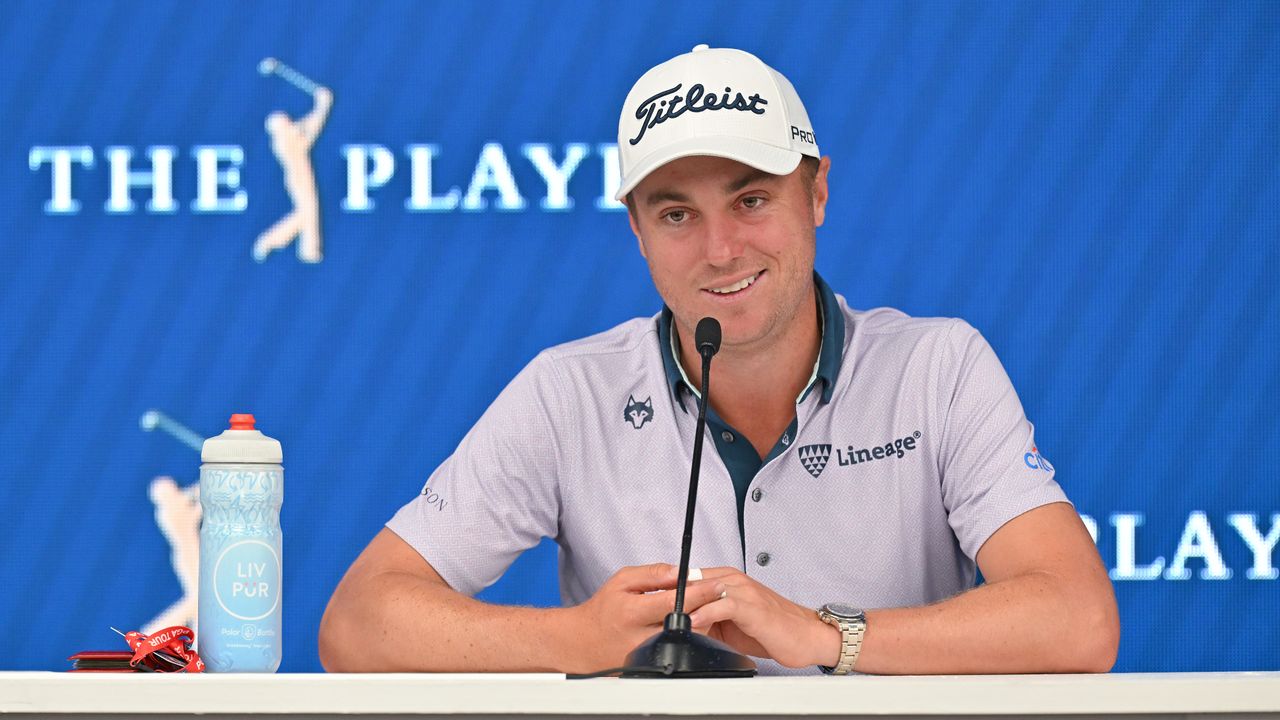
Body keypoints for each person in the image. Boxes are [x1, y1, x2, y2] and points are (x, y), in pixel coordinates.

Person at [319, 45, 1119, 675]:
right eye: (676, 214)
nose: (720, 250)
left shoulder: (937, 370)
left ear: (817, 194)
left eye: (751, 199)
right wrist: (572, 639)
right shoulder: (571, 392)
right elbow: (359, 624)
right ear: (636, 233)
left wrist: (821, 635)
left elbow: (1077, 619)